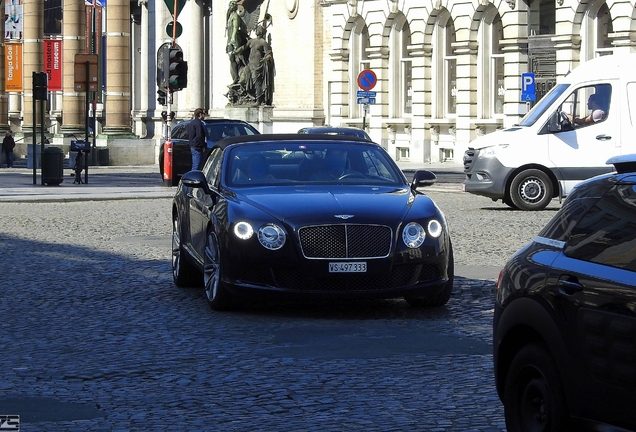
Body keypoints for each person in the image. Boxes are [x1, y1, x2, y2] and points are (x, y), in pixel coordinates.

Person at [233, 25, 275, 106]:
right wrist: (235, 51)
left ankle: (258, 100)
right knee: (243, 79)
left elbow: (268, 54)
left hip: (258, 66)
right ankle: (248, 96)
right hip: (249, 65)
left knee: (257, 83)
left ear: (262, 32)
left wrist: (266, 59)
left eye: (260, 30)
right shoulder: (251, 41)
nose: (258, 31)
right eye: (258, 30)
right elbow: (243, 48)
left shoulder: (263, 43)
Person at [226, 0, 249, 86]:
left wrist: (232, 39)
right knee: (232, 59)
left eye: (232, 4)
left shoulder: (235, 16)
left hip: (235, 40)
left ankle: (238, 77)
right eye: (230, 4)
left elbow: (236, 27)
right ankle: (236, 77)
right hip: (230, 40)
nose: (231, 6)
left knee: (235, 57)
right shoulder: (230, 16)